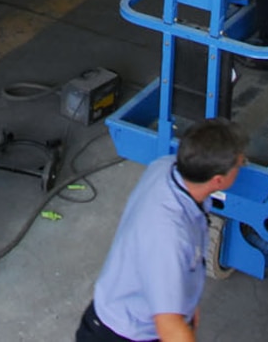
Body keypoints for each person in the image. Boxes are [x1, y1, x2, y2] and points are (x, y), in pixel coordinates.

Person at [77, 118, 249, 342]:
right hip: (123, 333)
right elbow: (169, 326)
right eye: (240, 163)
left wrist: (188, 306)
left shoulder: (167, 167)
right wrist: (182, 321)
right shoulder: (169, 237)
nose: (243, 164)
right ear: (217, 180)